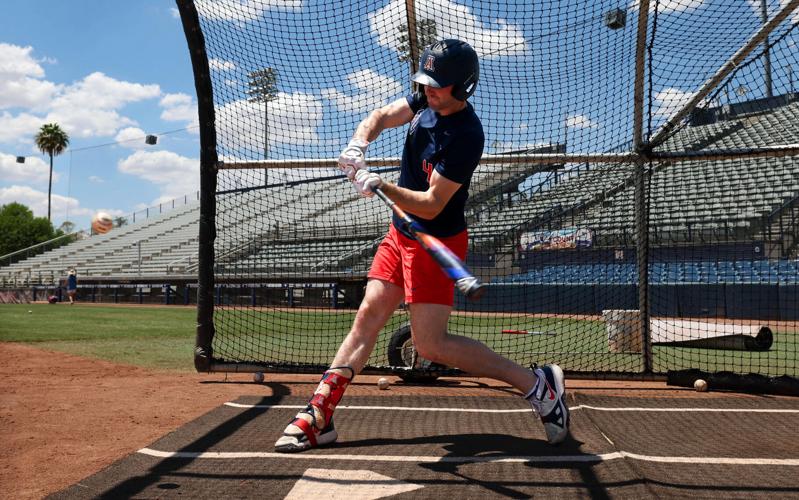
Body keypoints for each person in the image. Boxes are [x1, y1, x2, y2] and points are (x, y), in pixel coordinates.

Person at [275, 39, 569, 452]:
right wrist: (359, 144)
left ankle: (537, 385)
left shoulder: (467, 135)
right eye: (425, 83)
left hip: (436, 240)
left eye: (438, 85)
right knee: (368, 315)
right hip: (400, 234)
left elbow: (432, 204)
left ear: (463, 88)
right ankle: (319, 414)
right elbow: (379, 116)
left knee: (431, 344)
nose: (428, 91)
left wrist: (381, 184)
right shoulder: (424, 100)